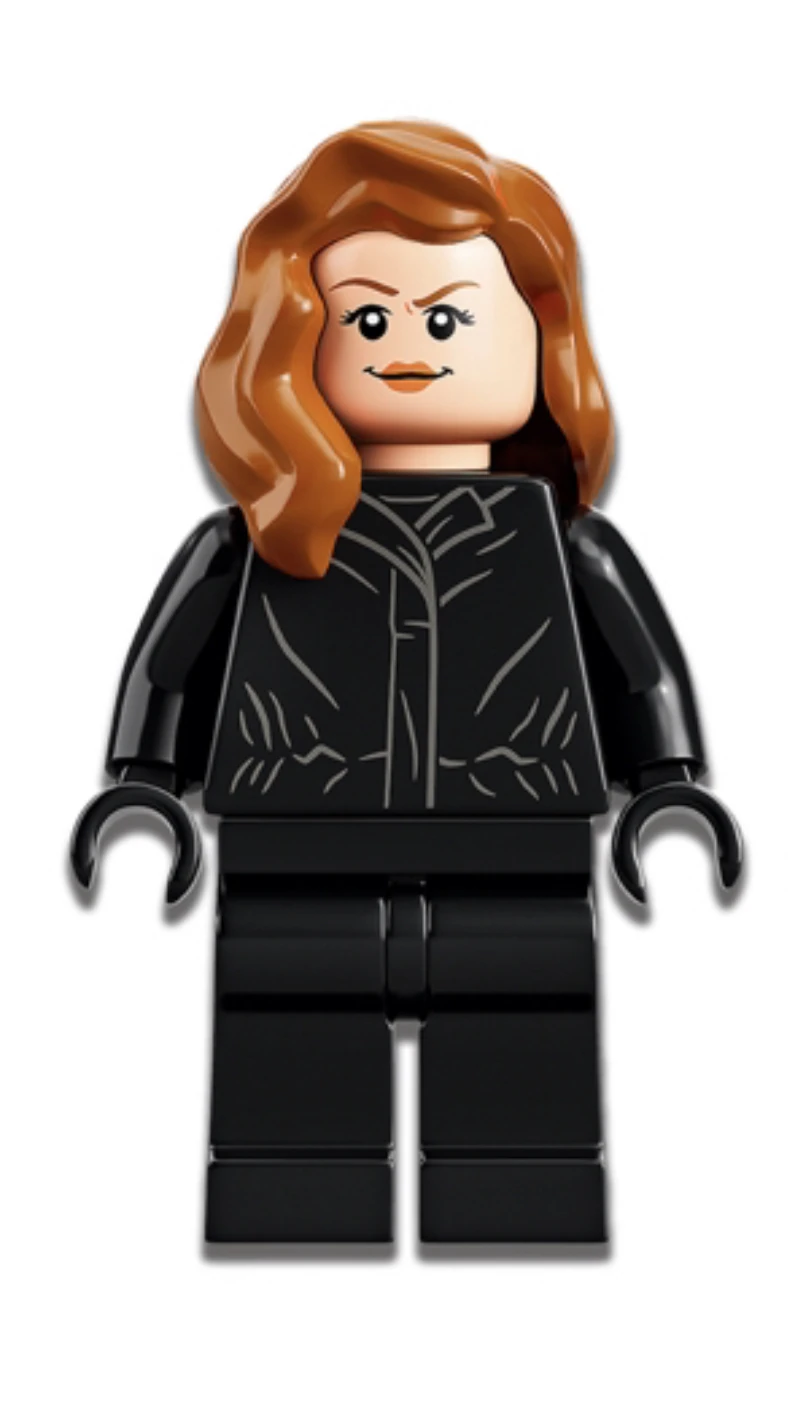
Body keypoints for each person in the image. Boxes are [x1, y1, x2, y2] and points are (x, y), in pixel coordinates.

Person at [71, 121, 742, 1245]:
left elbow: (638, 664)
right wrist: (143, 778)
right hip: (295, 846)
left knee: (522, 1044)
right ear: (294, 342)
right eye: (368, 319)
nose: (408, 347)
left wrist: (666, 779)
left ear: (538, 338)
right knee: (288, 1046)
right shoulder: (259, 538)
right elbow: (170, 660)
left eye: (449, 318)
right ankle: (292, 1199)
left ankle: (516, 1199)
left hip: (518, 845)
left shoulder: (562, 540)